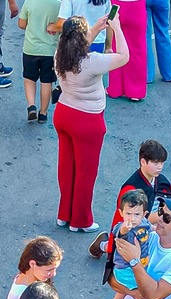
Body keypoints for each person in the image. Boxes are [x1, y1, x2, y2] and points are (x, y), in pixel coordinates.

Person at [54, 15, 131, 231]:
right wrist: (116, 28)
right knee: (86, 173)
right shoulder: (92, 61)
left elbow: (77, 44)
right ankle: (81, 220)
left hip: (63, 113)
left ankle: (64, 214)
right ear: (81, 38)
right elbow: (124, 56)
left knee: (66, 168)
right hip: (87, 120)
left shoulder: (60, 56)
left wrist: (96, 28)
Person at [18, 0, 63, 122]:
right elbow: (62, 24)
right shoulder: (58, 4)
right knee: (46, 82)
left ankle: (31, 105)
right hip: (49, 51)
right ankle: (43, 113)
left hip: (30, 48)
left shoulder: (29, 1)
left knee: (29, 78)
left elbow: (22, 24)